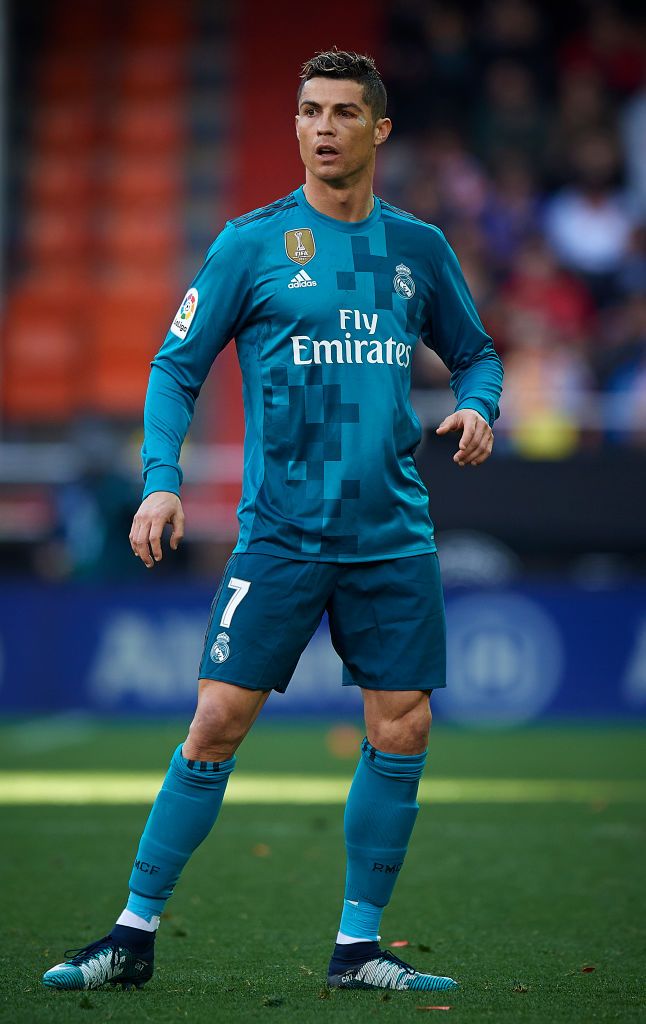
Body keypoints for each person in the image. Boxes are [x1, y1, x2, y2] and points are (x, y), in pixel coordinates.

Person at [43, 48, 503, 994]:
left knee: (403, 729)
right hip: (282, 533)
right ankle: (131, 935)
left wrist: (479, 407)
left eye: (343, 112)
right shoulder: (251, 244)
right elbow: (175, 369)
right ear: (294, 125)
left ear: (379, 129)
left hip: (391, 534)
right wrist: (161, 481)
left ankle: (357, 949)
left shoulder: (417, 248)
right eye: (308, 111)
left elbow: (478, 354)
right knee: (215, 721)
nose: (323, 127)